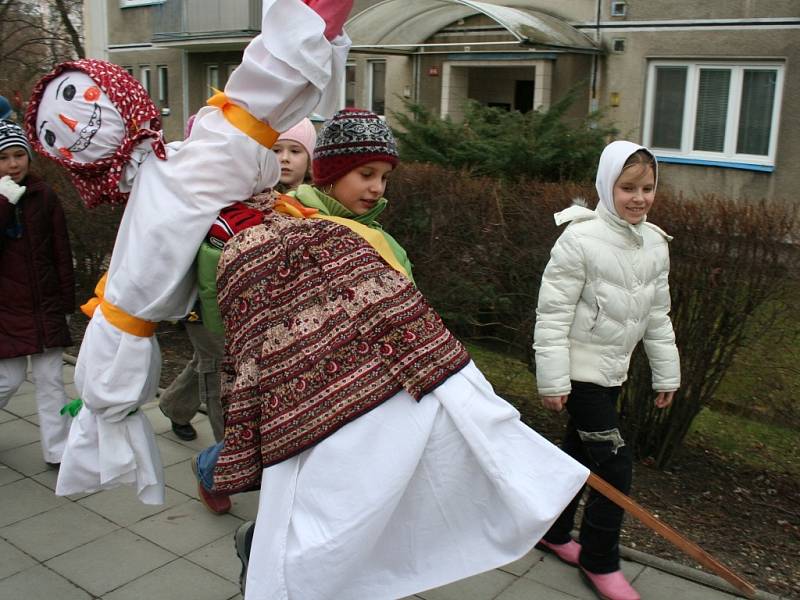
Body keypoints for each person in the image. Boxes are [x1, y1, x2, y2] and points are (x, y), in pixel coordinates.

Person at [193, 108, 588, 599]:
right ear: (331, 172)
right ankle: (263, 537)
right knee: (327, 501)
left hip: (372, 387)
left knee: (351, 498)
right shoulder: (291, 225)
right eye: (366, 174)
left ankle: (272, 544)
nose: (378, 188)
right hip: (312, 393)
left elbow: (402, 296)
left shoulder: (375, 234)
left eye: (384, 177)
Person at [24, 0, 353, 504]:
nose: (74, 120)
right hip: (233, 318)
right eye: (56, 130)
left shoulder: (177, 164)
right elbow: (131, 301)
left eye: (76, 97)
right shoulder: (190, 162)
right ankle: (226, 466)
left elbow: (130, 301)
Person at [533, 140, 681, 600]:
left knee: (579, 457)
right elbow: (552, 315)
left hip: (614, 373)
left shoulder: (655, 242)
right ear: (606, 185)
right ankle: (599, 561)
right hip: (581, 378)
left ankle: (554, 534)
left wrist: (666, 373)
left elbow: (658, 315)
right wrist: (555, 382)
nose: (639, 198)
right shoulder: (579, 239)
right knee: (615, 468)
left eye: (648, 188)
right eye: (628, 188)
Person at [0, 120, 75, 466]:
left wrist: (65, 303)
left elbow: (61, 251)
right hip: (7, 311)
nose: (13, 164)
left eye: (19, 155)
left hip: (44, 308)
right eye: (4, 158)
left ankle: (57, 450)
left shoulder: (43, 196)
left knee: (50, 381)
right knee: (8, 380)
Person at [273, 117, 316, 192]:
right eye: (276, 151)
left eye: (295, 151)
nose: (284, 158)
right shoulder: (250, 198)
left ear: (310, 160)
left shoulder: (322, 200)